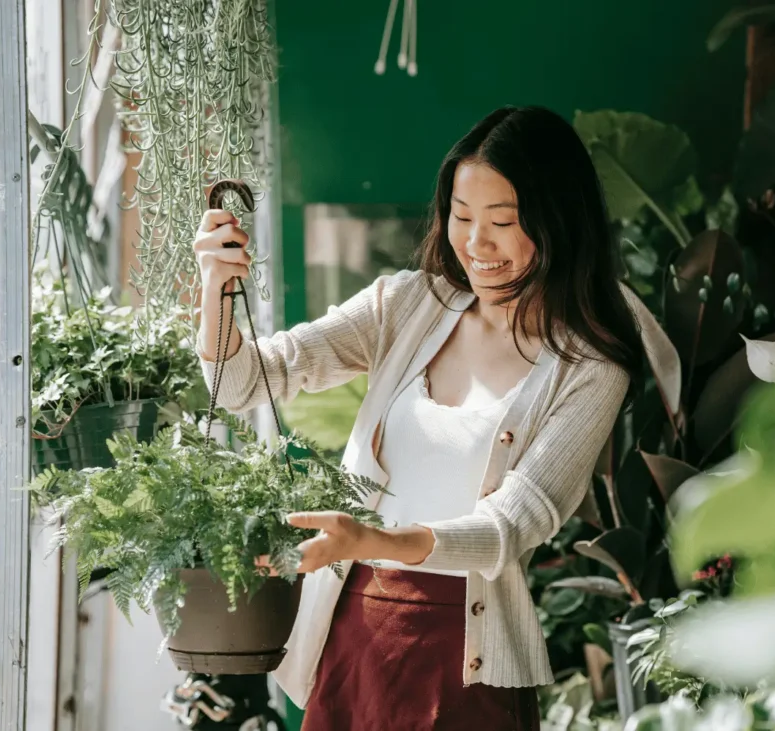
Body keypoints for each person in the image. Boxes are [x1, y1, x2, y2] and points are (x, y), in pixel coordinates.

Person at [194, 106, 644, 731]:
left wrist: (372, 541)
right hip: (353, 635)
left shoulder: (589, 369)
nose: (476, 244)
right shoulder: (408, 304)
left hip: (464, 659)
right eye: (461, 216)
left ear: (559, 222)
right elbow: (244, 382)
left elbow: (510, 527)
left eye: (502, 222)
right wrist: (215, 286)